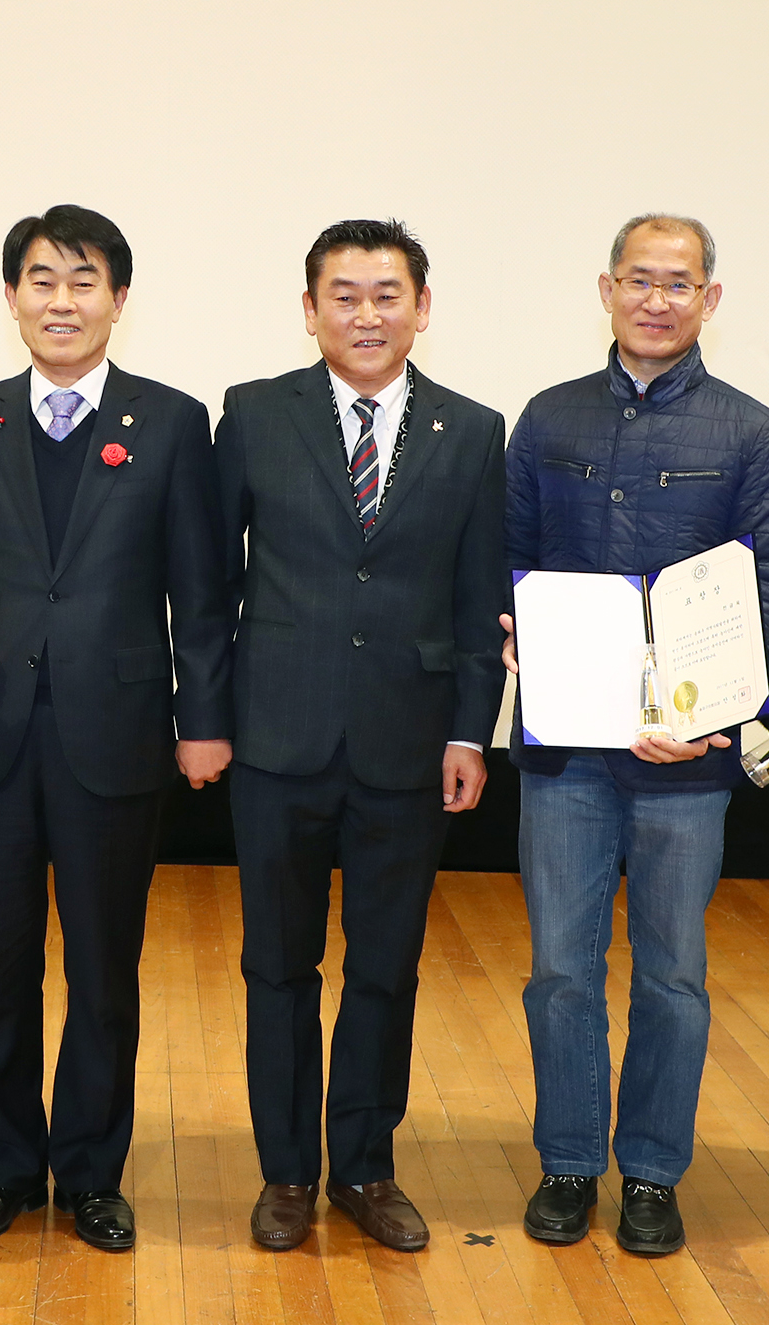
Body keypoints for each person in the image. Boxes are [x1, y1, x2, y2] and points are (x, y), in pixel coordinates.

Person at [0, 205, 233, 1252]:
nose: (62, 300)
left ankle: (92, 1171)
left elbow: (200, 582)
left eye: (84, 281)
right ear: (12, 297)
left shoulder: (174, 422)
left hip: (120, 733)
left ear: (120, 301)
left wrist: (203, 721)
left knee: (105, 965)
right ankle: (3, 1170)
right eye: (41, 280)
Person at [500, 213, 769, 1255]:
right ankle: (571, 1163)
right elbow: (515, 566)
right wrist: (517, 635)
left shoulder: (751, 432)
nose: (658, 299)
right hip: (569, 755)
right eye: (640, 280)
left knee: (673, 972)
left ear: (710, 298)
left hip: (687, 764)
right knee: (561, 970)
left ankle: (655, 1174)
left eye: (680, 283)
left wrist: (695, 711)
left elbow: (766, 586)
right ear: (607, 289)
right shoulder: (548, 420)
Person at [216, 219, 506, 1253]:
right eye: (344, 295)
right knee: (278, 967)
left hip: (409, 743)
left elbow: (480, 601)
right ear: (310, 311)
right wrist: (204, 720)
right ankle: (288, 1171)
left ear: (422, 309)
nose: (367, 314)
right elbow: (209, 587)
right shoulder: (252, 416)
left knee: (386, 968)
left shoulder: (473, 432)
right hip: (275, 740)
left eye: (388, 294)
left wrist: (473, 733)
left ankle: (366, 1169)